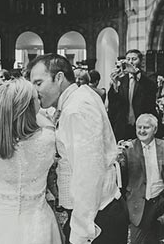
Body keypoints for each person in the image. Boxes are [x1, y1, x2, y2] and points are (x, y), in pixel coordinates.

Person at [29, 53, 127, 244]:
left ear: (58, 78)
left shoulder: (76, 110)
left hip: (98, 218)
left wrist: (81, 232)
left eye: (38, 83)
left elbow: (89, 173)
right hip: (97, 213)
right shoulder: (81, 96)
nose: (34, 90)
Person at [0, 78, 62, 244]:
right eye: (36, 98)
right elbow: (46, 124)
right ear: (29, 107)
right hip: (37, 223)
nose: (40, 101)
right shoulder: (48, 138)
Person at [119, 114, 164, 244]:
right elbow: (120, 175)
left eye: (146, 127)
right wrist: (116, 157)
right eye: (139, 127)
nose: (142, 131)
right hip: (140, 201)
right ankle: (154, 233)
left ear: (155, 129)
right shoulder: (128, 149)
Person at [108, 49, 158, 141]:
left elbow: (152, 89)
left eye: (134, 59)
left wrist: (137, 74)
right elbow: (113, 104)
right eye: (128, 59)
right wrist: (115, 84)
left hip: (143, 126)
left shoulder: (149, 76)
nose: (130, 62)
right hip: (123, 126)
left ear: (140, 61)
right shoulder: (121, 79)